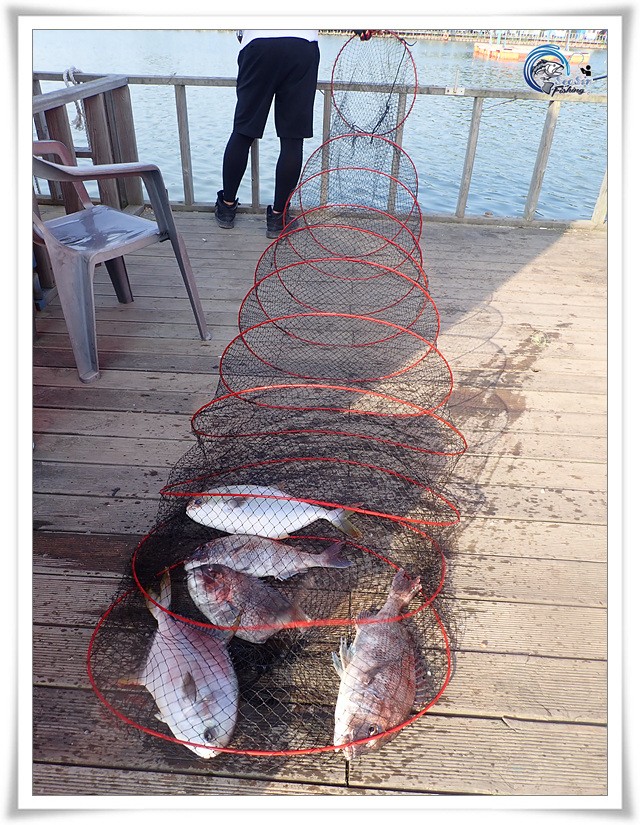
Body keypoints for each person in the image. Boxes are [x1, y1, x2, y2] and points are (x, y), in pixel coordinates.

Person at [214, 29, 320, 239]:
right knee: (292, 139)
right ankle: (278, 218)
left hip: (258, 45)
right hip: (301, 45)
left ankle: (226, 208)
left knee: (243, 132)